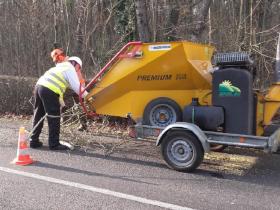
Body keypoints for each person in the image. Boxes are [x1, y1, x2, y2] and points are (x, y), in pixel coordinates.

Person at [30, 57, 88, 150]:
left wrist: (62, 103)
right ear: (76, 64)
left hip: (39, 87)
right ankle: (54, 144)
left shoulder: (59, 67)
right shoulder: (70, 68)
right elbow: (76, 86)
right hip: (49, 90)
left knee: (38, 114)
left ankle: (33, 140)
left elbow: (59, 87)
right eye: (79, 68)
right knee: (54, 117)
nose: (78, 70)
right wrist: (88, 96)